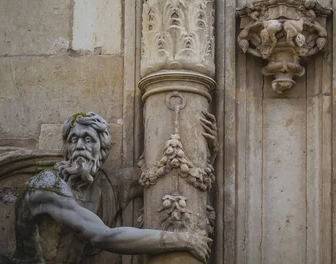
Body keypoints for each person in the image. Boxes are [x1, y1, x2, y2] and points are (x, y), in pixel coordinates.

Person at [13, 112, 210, 264]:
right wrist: (182, 240)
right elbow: (101, 235)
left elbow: (171, 176)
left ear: (102, 149)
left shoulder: (108, 184)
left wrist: (207, 151)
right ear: (66, 148)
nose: (80, 145)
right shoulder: (46, 187)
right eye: (74, 139)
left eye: (88, 139)